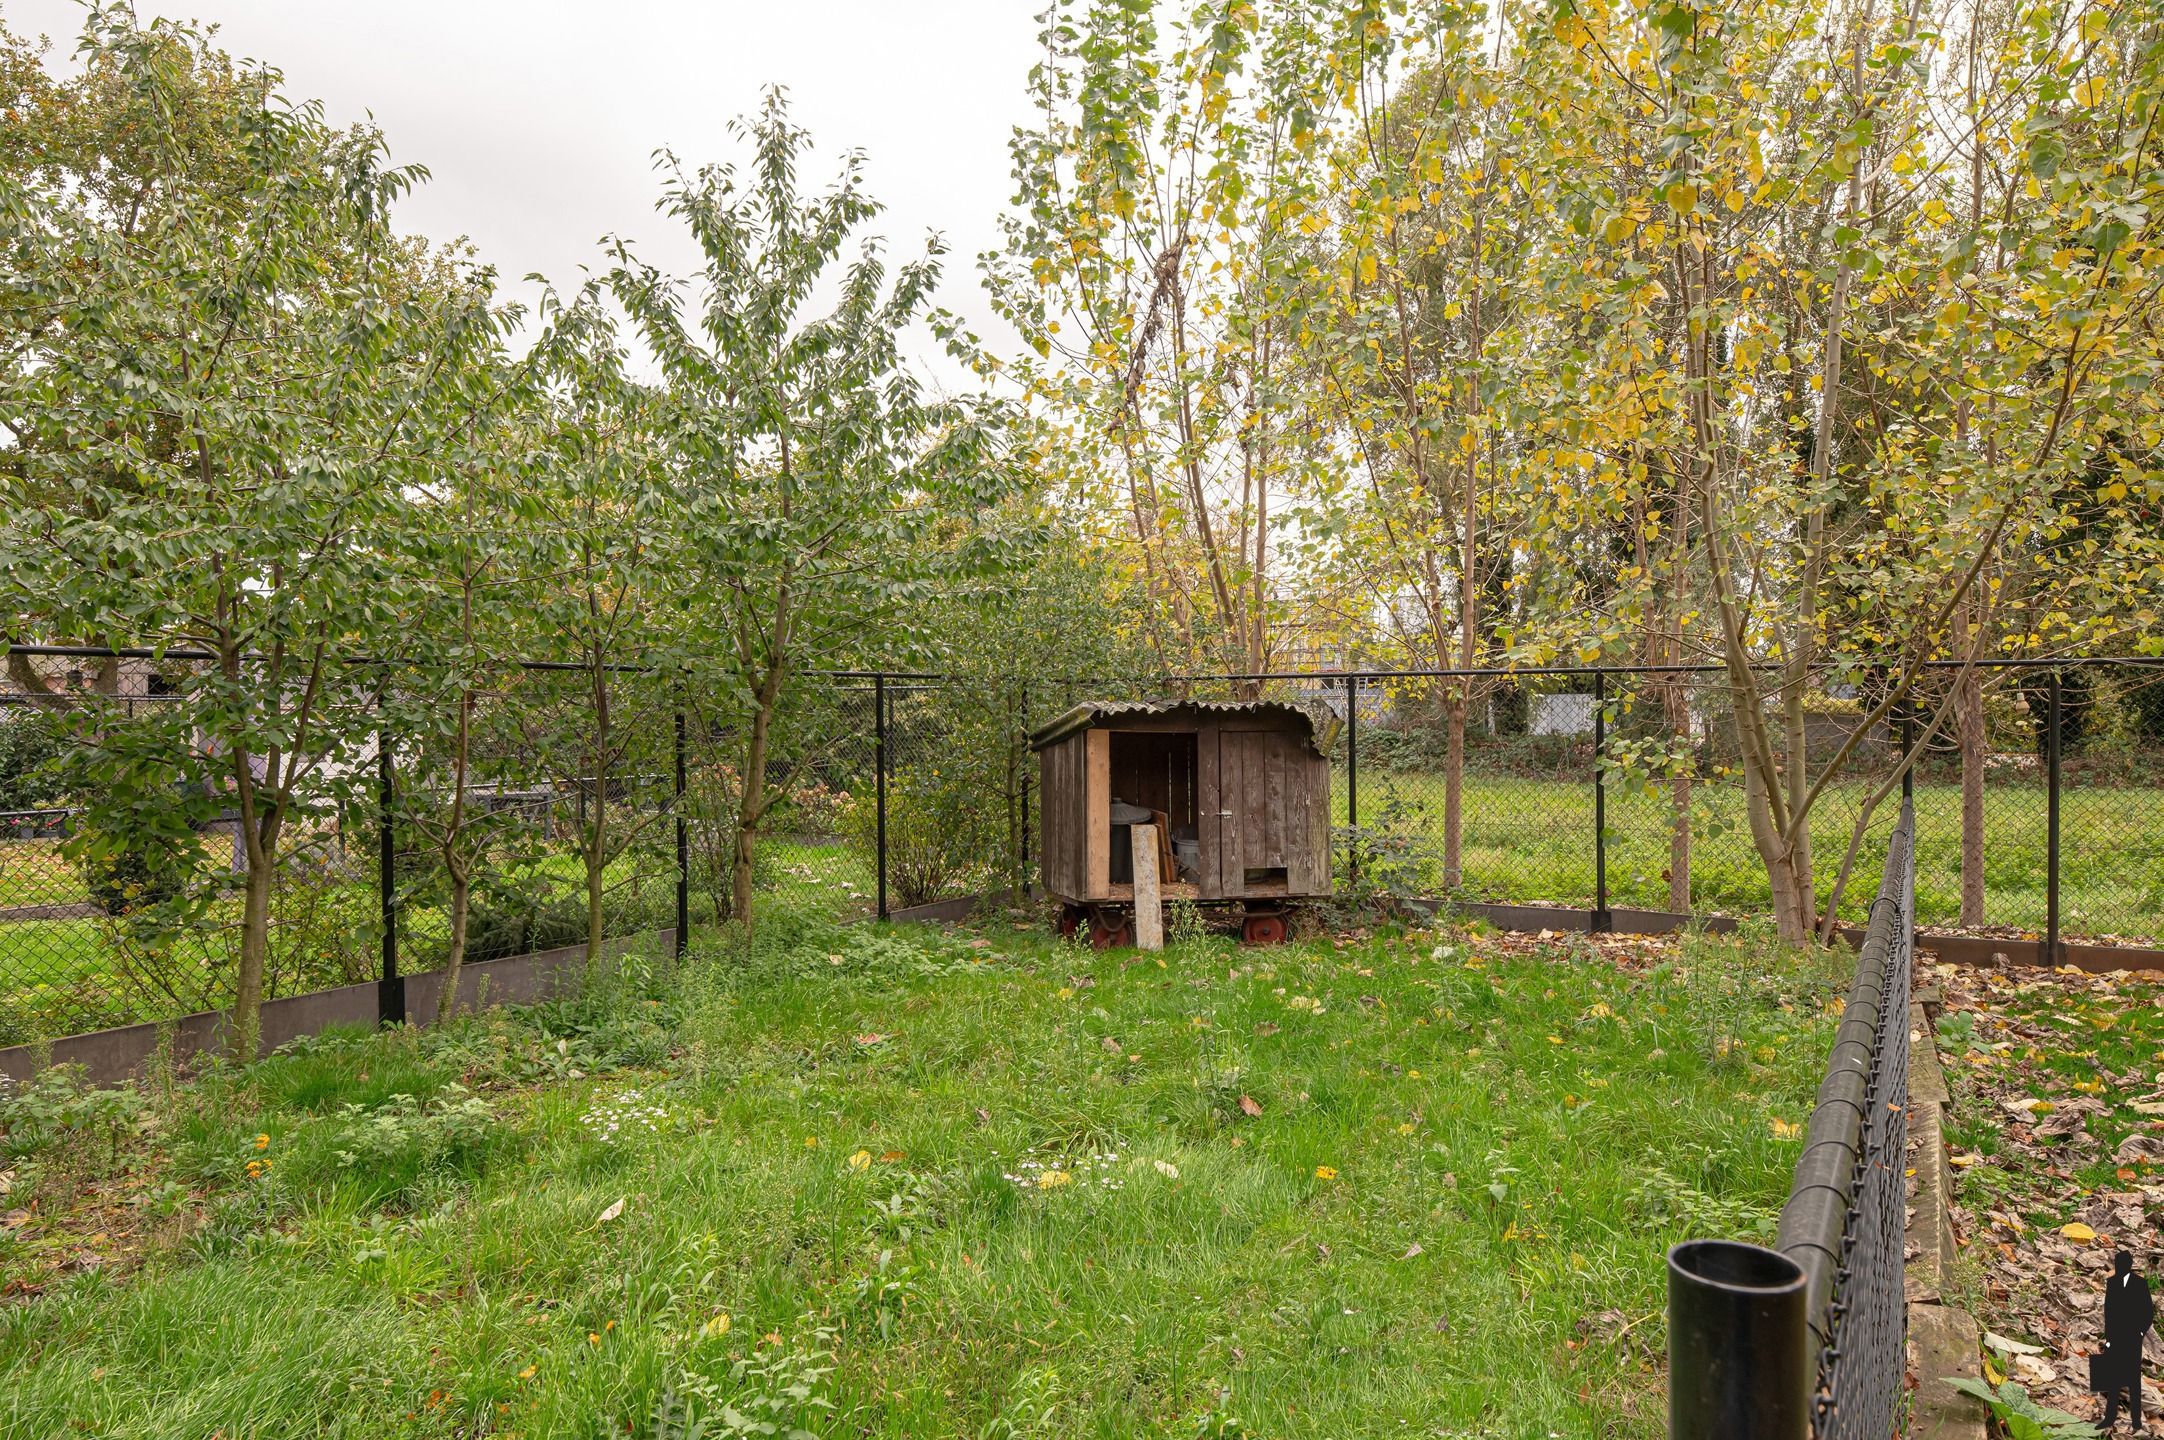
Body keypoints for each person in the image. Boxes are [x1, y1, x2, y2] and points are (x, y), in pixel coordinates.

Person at [2098, 1249, 2154, 1431]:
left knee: (2133, 1380)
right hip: (2115, 1336)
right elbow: (2109, 1311)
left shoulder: (2139, 1284)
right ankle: (2110, 1417)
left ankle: (2136, 1420)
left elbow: (2147, 1313)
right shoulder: (2112, 1283)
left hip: (2131, 1336)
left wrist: (2139, 1333)